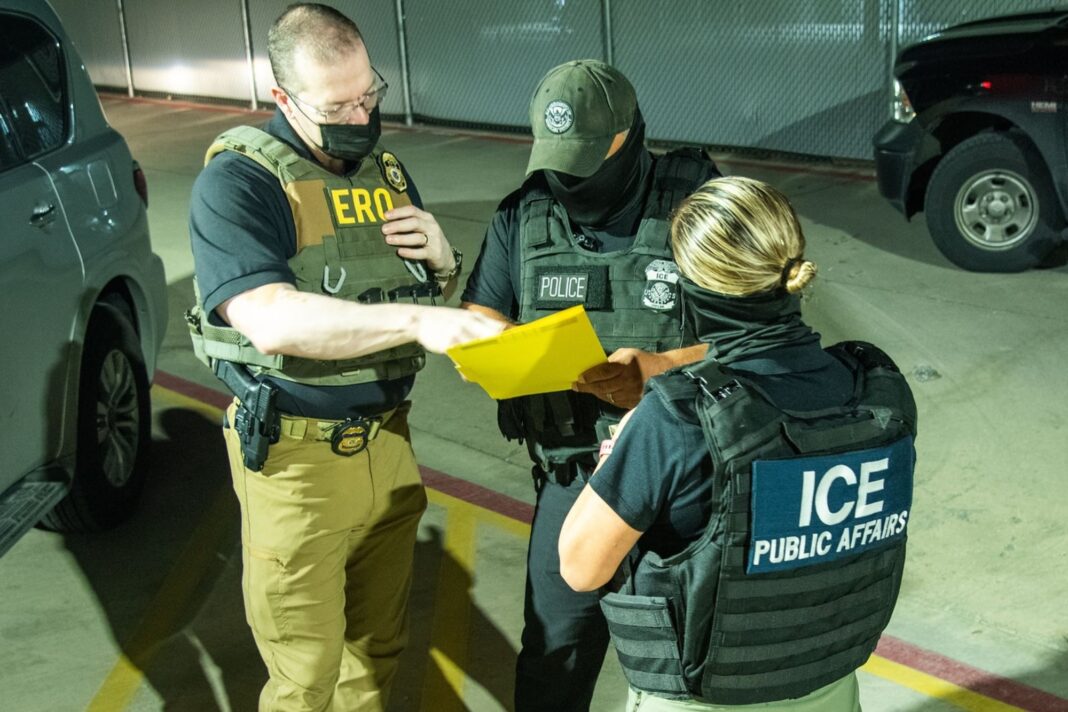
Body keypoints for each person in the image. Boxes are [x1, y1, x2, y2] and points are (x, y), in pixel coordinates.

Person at [186, 4, 503, 711]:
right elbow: (269, 318)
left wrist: (442, 265)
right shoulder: (239, 183)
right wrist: (422, 318)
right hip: (296, 463)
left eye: (369, 95)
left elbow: (392, 289)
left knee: (376, 653)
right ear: (282, 98)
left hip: (389, 442)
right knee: (305, 677)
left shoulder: (383, 172)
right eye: (336, 107)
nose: (359, 117)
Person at [558, 176, 918, 711]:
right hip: (832, 692)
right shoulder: (875, 388)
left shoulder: (677, 416)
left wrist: (620, 456)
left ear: (695, 288)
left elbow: (580, 567)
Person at [461, 59, 720, 710]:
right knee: (554, 659)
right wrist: (514, 348)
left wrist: (656, 372)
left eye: (584, 159)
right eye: (556, 160)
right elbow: (480, 314)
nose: (567, 179)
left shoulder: (699, 204)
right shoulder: (524, 214)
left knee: (693, 664)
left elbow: (755, 340)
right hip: (575, 479)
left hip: (684, 481)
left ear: (628, 137)